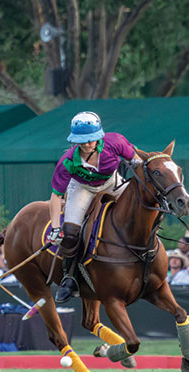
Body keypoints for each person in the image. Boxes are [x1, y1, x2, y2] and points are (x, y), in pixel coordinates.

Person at [48, 111, 141, 303]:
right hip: (82, 188)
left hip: (112, 182)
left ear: (98, 136)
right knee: (71, 232)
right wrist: (56, 228)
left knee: (138, 208)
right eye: (82, 140)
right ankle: (69, 277)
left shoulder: (115, 142)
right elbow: (56, 196)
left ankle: (147, 255)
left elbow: (136, 161)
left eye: (90, 139)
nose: (87, 144)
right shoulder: (67, 161)